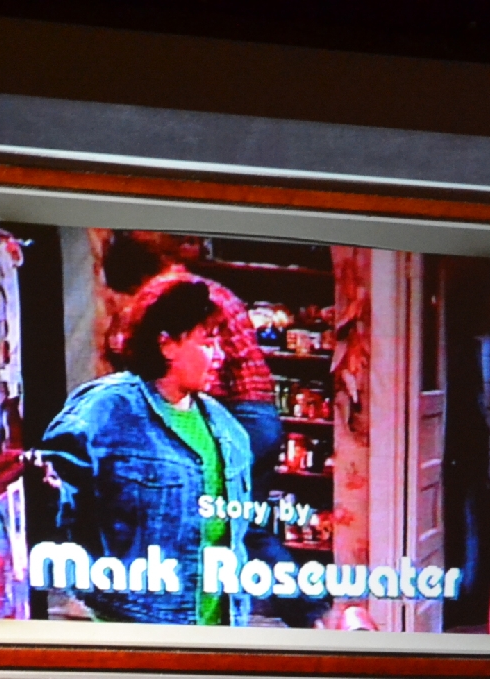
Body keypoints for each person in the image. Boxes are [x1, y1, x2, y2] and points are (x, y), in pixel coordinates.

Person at [102, 232, 329, 627]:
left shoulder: (165, 295)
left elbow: (129, 350)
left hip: (233, 417)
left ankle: (302, 609)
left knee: (200, 518)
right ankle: (305, 610)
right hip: (262, 415)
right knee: (241, 523)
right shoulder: (213, 289)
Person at [31, 281, 253, 626]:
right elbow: (54, 501)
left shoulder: (228, 429)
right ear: (167, 344)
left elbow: (240, 534)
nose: (220, 356)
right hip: (135, 622)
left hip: (219, 626)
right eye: (207, 342)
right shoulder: (108, 408)